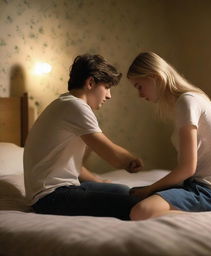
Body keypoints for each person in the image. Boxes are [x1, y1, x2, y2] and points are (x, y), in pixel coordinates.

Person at [24, 54, 143, 220]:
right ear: (90, 83)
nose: (109, 95)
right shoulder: (76, 106)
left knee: (125, 190)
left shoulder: (65, 104)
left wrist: (98, 182)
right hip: (51, 197)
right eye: (107, 87)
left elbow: (74, 167)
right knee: (136, 203)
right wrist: (132, 161)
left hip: (56, 192)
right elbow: (111, 155)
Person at [127, 52, 211, 220]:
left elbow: (187, 168)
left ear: (155, 77)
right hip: (198, 186)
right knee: (130, 198)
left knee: (140, 211)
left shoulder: (187, 102)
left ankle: (203, 216)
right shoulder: (189, 100)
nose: (140, 95)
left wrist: (150, 189)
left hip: (210, 193)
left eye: (139, 86)